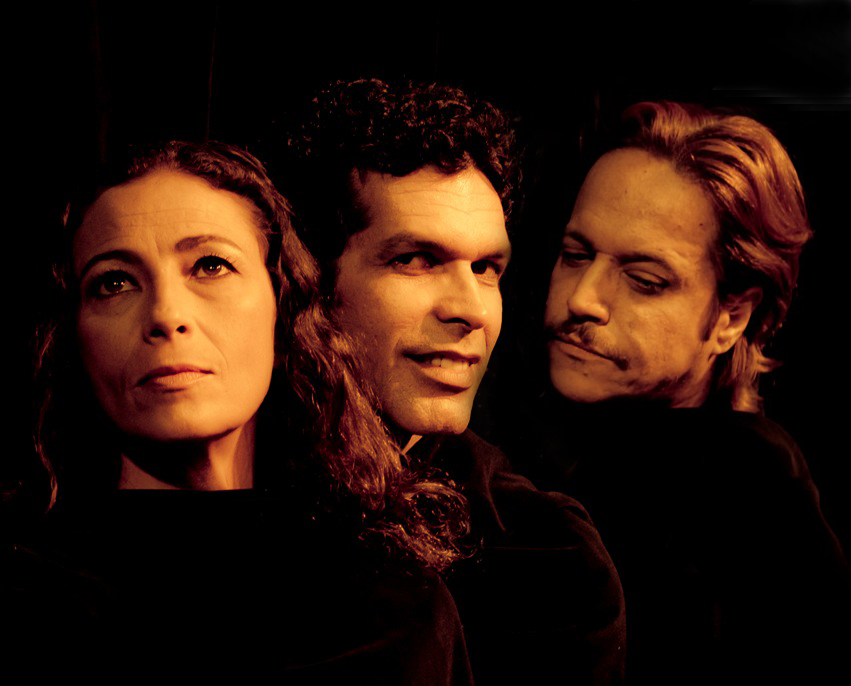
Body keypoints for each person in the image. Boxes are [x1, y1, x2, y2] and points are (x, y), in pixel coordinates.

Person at [7, 141, 474, 683]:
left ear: (284, 306)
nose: (166, 314)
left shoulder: (398, 602)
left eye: (210, 266)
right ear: (73, 338)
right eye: (114, 282)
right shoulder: (22, 597)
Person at [275, 78, 626, 684]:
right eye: (415, 260)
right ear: (310, 279)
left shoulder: (544, 556)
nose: (470, 310)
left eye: (486, 268)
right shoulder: (223, 485)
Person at [519, 101, 851, 684]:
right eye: (575, 255)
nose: (582, 298)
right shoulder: (523, 439)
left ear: (730, 317)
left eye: (645, 281)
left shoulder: (746, 493)